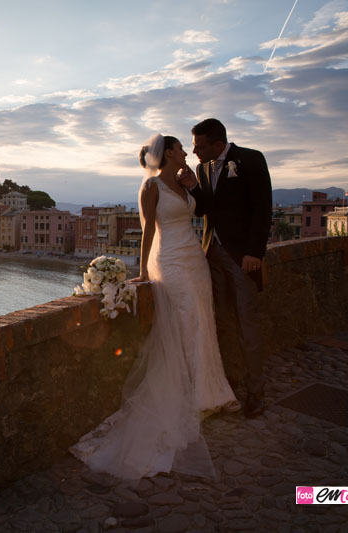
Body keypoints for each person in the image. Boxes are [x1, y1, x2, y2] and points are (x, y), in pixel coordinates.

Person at [70, 134, 238, 480]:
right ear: (168, 154)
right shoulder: (150, 189)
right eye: (180, 149)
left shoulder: (182, 182)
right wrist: (143, 272)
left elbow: (204, 211)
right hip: (171, 262)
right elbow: (148, 231)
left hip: (194, 260)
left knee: (202, 320)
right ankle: (190, 398)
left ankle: (208, 392)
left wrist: (192, 185)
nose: (185, 153)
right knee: (183, 324)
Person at [178, 118, 273, 418]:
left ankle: (255, 392)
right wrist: (193, 188)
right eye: (193, 146)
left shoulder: (250, 159)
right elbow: (207, 209)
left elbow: (262, 208)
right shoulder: (202, 169)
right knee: (221, 323)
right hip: (212, 253)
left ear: (218, 144)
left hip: (241, 257)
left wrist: (254, 252)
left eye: (200, 146)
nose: (194, 152)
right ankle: (226, 384)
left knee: (247, 324)